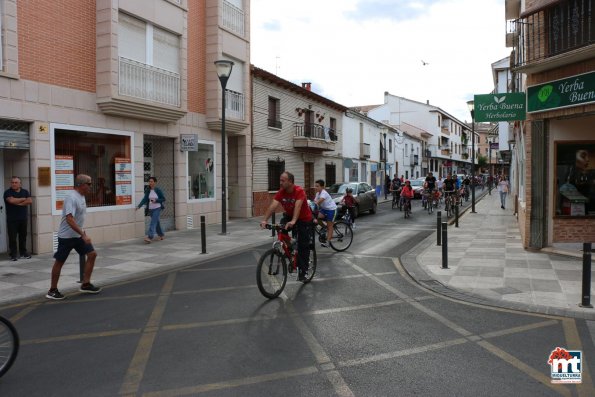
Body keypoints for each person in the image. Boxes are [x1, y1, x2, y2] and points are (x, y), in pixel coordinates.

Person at [46, 174, 101, 300]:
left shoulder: (81, 196)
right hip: (66, 237)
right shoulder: (71, 197)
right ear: (81, 185)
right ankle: (52, 290)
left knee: (92, 254)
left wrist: (82, 233)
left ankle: (85, 284)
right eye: (89, 184)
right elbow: (69, 219)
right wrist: (82, 234)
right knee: (59, 262)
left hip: (78, 236)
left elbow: (78, 218)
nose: (91, 186)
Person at [260, 171, 313, 282]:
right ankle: (291, 247)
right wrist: (265, 220)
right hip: (289, 216)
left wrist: (294, 221)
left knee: (303, 245)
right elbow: (273, 206)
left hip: (304, 219)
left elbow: (298, 207)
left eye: (283, 181)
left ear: (290, 181)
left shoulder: (299, 191)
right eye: (280, 180)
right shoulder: (282, 192)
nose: (280, 183)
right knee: (281, 230)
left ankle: (304, 271)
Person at [4, 177, 32, 261]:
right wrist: (23, 199)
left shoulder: (25, 191)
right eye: (12, 182)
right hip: (12, 219)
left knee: (23, 237)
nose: (14, 184)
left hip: (23, 218)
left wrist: (18, 202)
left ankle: (23, 253)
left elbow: (30, 201)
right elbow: (11, 201)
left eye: (16, 182)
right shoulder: (7, 192)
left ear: (20, 184)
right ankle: (13, 254)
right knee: (12, 238)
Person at [136, 177, 166, 243]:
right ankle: (161, 235)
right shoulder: (148, 190)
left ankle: (150, 237)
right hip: (151, 209)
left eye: (152, 181)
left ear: (155, 182)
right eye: (149, 181)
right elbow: (145, 199)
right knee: (156, 222)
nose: (150, 183)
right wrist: (139, 206)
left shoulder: (158, 190)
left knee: (153, 222)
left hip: (157, 208)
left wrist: (156, 200)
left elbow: (163, 199)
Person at [314, 179, 337, 247]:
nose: (316, 187)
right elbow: (314, 201)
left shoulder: (324, 193)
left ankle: (328, 242)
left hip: (331, 209)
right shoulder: (317, 193)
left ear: (322, 187)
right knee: (318, 218)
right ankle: (325, 227)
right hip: (324, 209)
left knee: (330, 226)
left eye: (317, 186)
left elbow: (318, 202)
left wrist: (314, 204)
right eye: (315, 186)